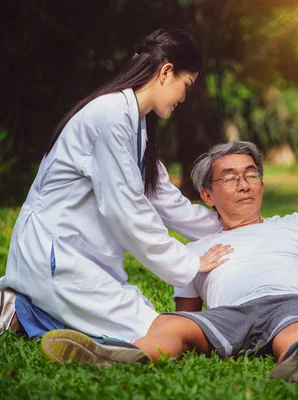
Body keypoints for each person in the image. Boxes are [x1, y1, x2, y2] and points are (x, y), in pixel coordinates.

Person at [39, 141, 298, 382]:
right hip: (231, 315)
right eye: (229, 178)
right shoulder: (195, 250)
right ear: (208, 195)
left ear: (262, 182)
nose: (243, 183)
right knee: (170, 324)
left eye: (251, 174)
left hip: (292, 303)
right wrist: (186, 316)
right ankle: (123, 356)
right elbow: (188, 313)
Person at [0, 29, 232, 342]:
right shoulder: (109, 117)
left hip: (79, 257)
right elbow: (126, 212)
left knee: (148, 320)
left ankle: (23, 311)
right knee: (151, 331)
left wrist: (227, 226)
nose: (183, 97)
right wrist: (189, 262)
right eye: (185, 85)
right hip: (54, 255)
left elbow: (164, 199)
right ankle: (19, 309)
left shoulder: (135, 125)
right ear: (166, 72)